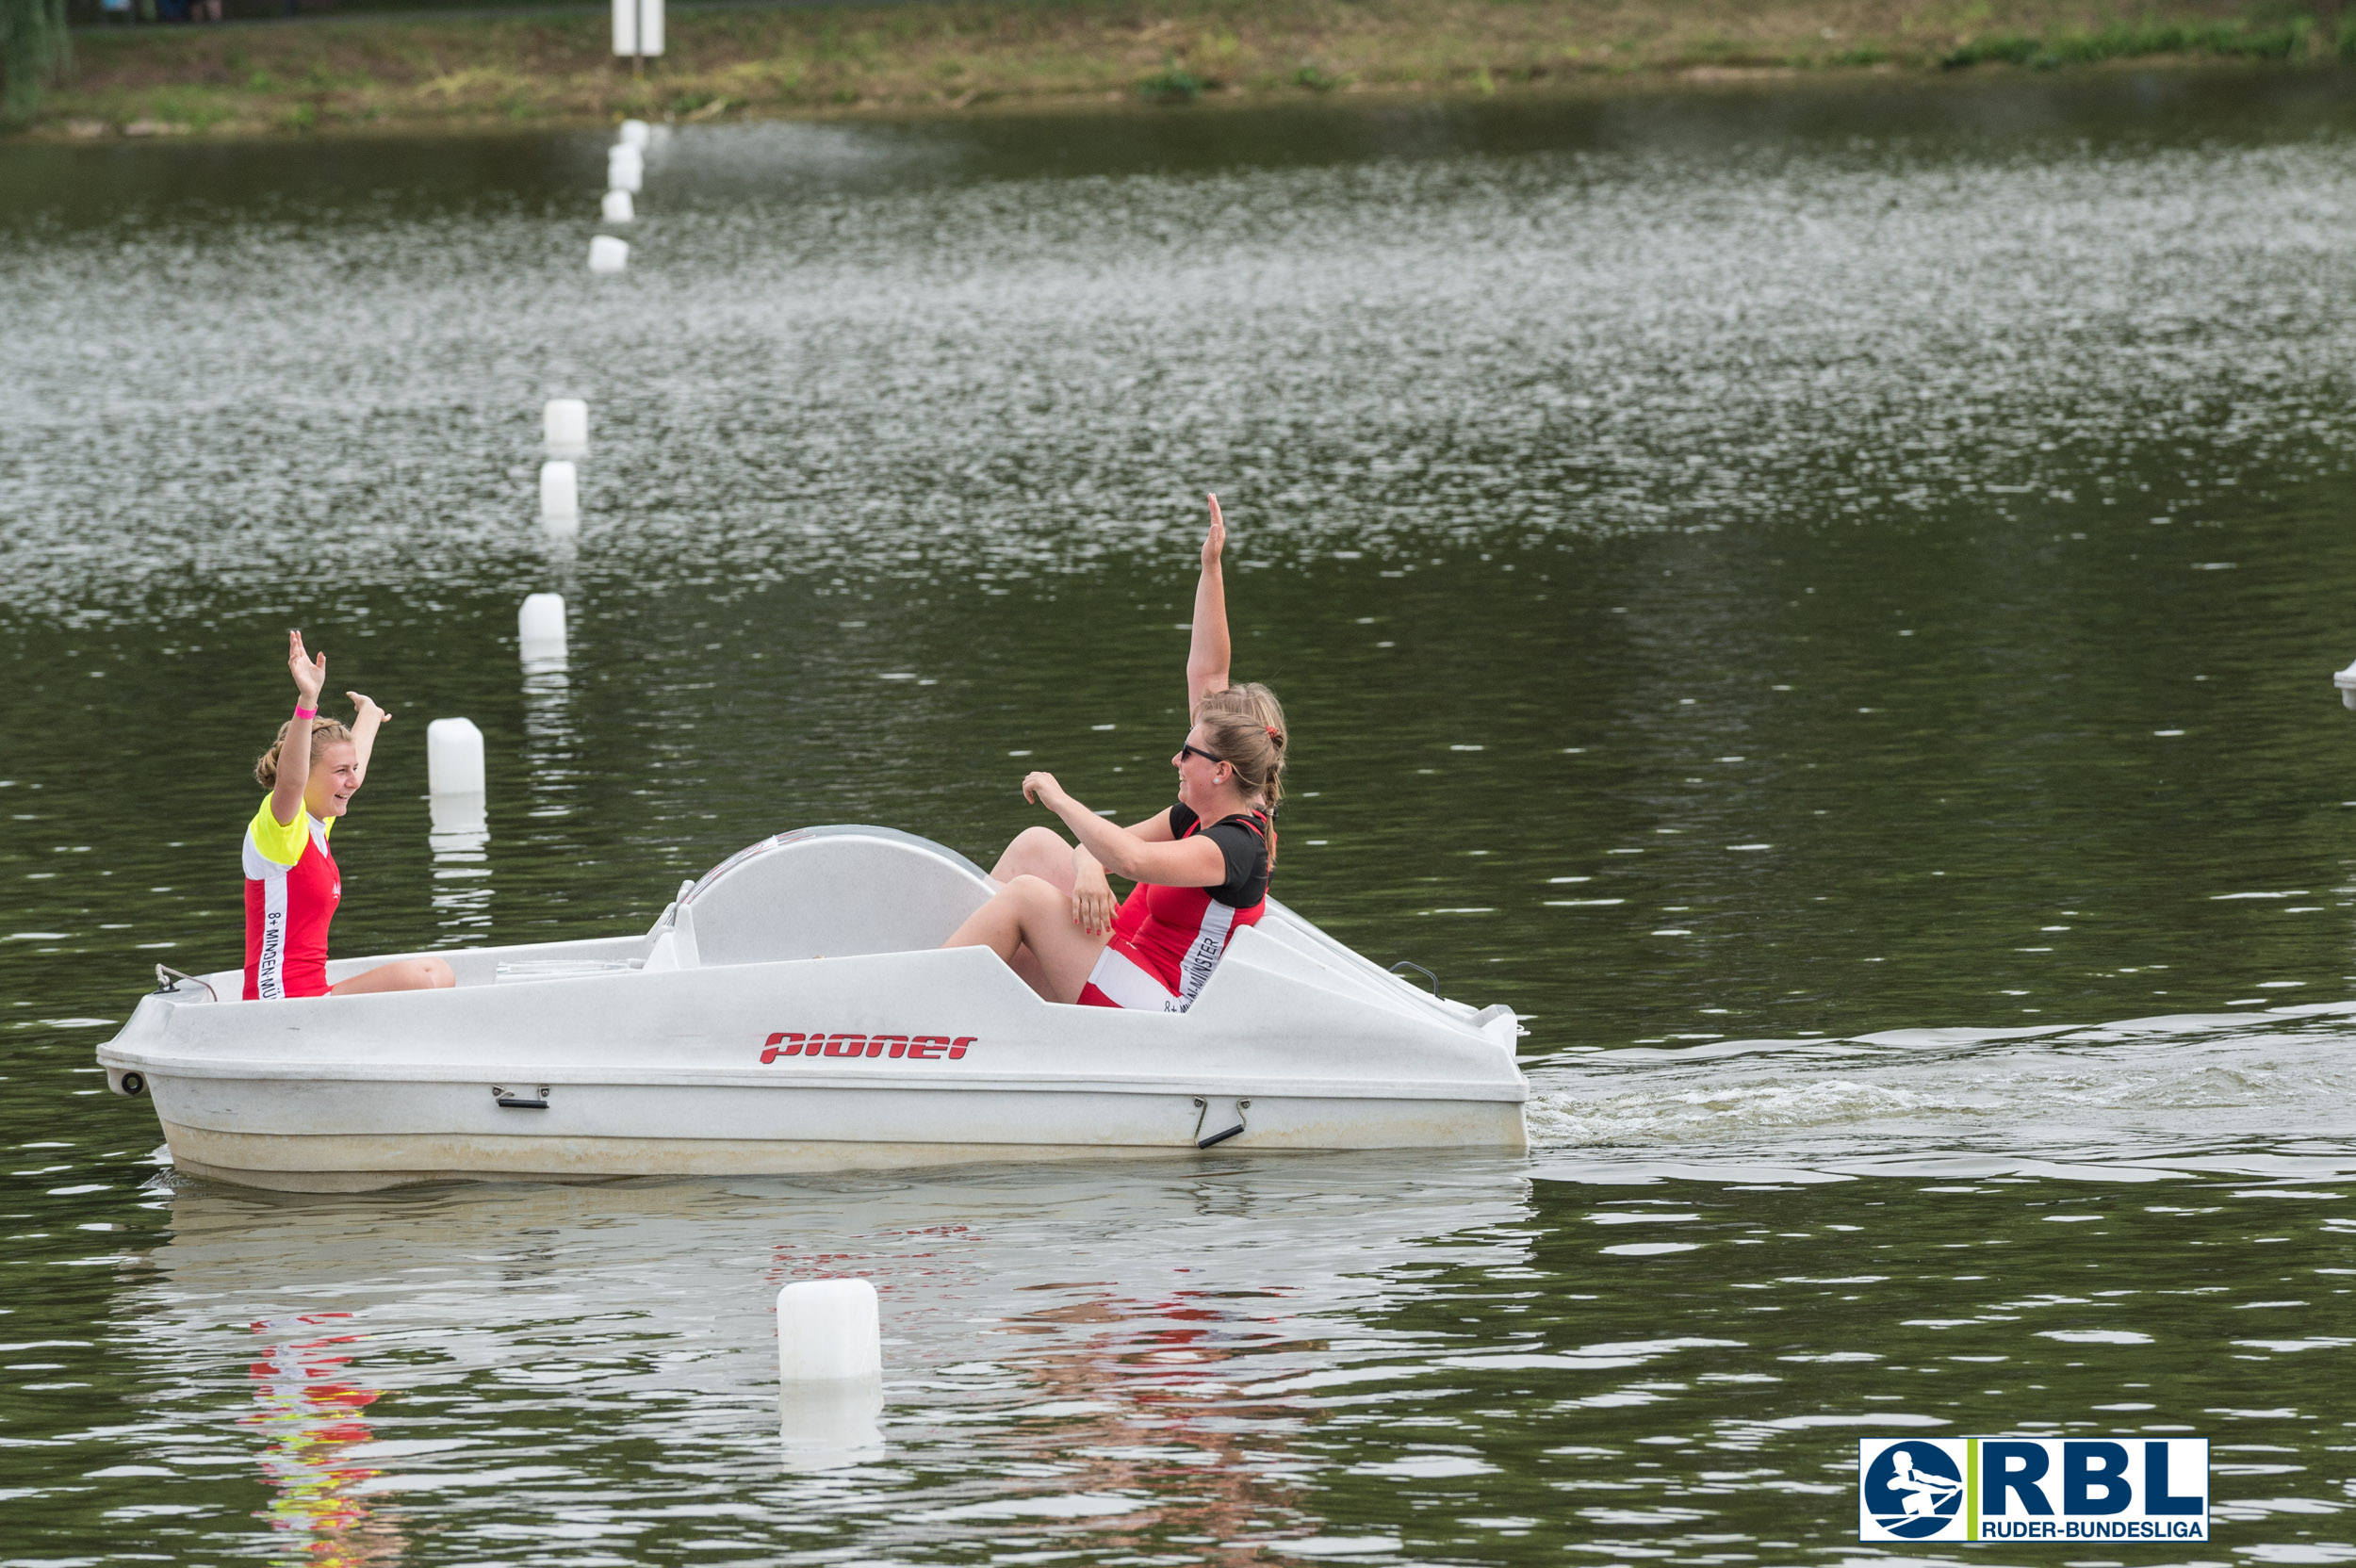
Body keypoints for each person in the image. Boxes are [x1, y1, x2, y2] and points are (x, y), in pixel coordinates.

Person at [942, 496, 1288, 1011]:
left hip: (1158, 1009)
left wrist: (1060, 799)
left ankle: (904, 1001)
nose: (1175, 758)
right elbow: (1207, 675)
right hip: (1123, 957)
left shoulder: (1238, 848)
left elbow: (1127, 858)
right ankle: (934, 962)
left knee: (1029, 898)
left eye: (1186, 752)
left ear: (1221, 770)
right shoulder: (1194, 813)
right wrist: (1210, 568)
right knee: (1038, 847)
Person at [243, 630, 454, 1001]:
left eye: (352, 769)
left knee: (437, 971)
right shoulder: (279, 829)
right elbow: (291, 781)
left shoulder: (318, 822)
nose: (353, 781)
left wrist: (370, 715)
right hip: (279, 1005)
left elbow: (355, 762)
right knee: (414, 980)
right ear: (306, 777)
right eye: (341, 772)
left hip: (316, 995)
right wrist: (308, 699)